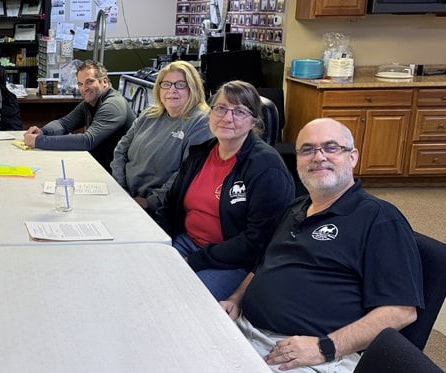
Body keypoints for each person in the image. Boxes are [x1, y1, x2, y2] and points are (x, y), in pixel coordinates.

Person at [221, 118, 424, 372]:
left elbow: (401, 310)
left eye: (331, 148)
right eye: (307, 149)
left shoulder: (378, 218)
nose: (318, 157)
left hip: (311, 354)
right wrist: (236, 299)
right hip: (245, 328)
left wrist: (324, 347)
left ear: (353, 157)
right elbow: (263, 265)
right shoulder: (295, 208)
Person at [155, 80, 294, 300]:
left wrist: (195, 261)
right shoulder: (200, 154)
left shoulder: (266, 169)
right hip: (186, 242)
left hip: (234, 261)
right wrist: (155, 242)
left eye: (239, 111)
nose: (227, 118)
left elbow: (257, 241)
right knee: (140, 279)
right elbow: (170, 205)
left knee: (181, 300)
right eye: (220, 108)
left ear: (253, 121)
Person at [110, 60, 213, 213]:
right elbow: (120, 151)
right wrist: (121, 188)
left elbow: (186, 174)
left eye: (180, 84)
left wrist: (149, 202)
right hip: (125, 198)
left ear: (193, 88)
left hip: (157, 210)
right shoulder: (149, 114)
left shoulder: (201, 122)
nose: (172, 90)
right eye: (166, 84)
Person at [22, 60, 135, 173]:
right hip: (101, 166)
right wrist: (43, 131)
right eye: (80, 84)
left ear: (104, 82)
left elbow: (87, 141)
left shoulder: (113, 105)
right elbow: (64, 123)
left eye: (89, 82)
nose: (84, 88)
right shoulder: (89, 103)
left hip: (117, 176)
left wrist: (39, 141)